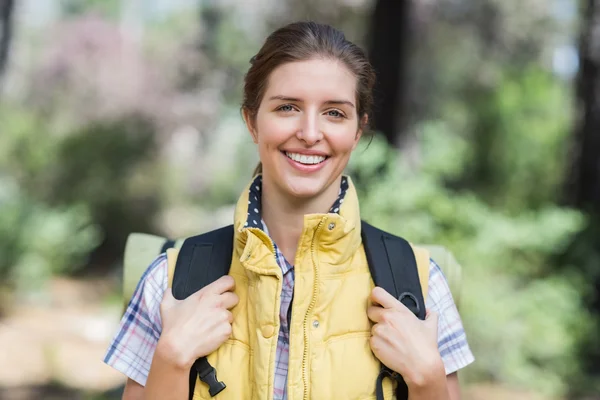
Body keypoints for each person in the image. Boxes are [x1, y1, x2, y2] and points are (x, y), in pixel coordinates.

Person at [104, 21, 474, 400]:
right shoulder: (169, 281)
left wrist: (428, 378)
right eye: (287, 107)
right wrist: (172, 357)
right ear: (252, 121)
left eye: (334, 113)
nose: (310, 133)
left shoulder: (421, 284)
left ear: (358, 130)